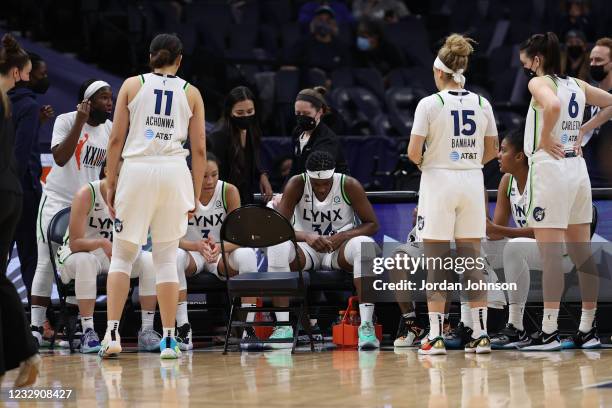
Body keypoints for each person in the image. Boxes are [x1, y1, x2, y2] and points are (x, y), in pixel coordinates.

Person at [101, 33, 206, 360]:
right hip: (175, 171)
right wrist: (194, 197)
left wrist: (109, 179)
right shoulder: (192, 92)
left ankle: (113, 334)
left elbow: (116, 138)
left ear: (150, 56)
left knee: (122, 256)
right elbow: (200, 150)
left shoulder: (132, 85)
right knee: (165, 259)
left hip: (138, 169)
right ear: (180, 59)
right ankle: (171, 340)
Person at [516, 32, 612, 350]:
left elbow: (553, 105)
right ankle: (588, 328)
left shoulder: (540, 83)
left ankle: (549, 330)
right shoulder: (577, 84)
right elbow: (611, 101)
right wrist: (584, 129)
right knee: (582, 254)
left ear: (538, 60)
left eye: (527, 63)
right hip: (577, 170)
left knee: (551, 255)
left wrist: (544, 136)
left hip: (551, 168)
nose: (526, 70)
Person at [407, 34, 499, 355]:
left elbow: (413, 151)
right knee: (472, 260)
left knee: (437, 263)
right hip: (473, 181)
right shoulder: (482, 102)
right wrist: (469, 164)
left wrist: (431, 165)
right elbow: (493, 150)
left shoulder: (429, 104)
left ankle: (434, 336)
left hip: (438, 181)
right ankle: (482, 335)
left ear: (439, 72)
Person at [30, 78, 113, 347]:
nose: (109, 103)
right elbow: (61, 157)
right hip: (56, 199)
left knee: (80, 261)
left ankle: (72, 326)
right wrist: (80, 121)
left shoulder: (109, 129)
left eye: (110, 97)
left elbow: (106, 171)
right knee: (46, 261)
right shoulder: (65, 121)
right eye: (103, 98)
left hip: (85, 204)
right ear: (87, 102)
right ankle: (36, 327)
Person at [268, 151, 380, 349]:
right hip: (306, 249)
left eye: (326, 183)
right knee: (276, 246)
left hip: (339, 248)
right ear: (308, 176)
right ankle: (282, 326)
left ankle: (366, 326)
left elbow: (372, 224)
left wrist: (344, 235)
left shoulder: (349, 185)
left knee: (367, 247)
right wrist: (306, 236)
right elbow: (278, 229)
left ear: (334, 175)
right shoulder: (296, 183)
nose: (321, 188)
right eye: (316, 183)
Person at [57, 165, 160, 354]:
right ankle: (88, 331)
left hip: (112, 254)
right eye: (119, 173)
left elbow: (138, 237)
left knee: (149, 261)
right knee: (85, 262)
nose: (124, 179)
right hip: (78, 254)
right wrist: (102, 242)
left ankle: (147, 330)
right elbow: (74, 243)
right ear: (107, 171)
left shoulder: (132, 197)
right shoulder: (87, 194)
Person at [175, 153, 257, 350]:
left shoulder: (229, 191)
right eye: (204, 176)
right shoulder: (179, 192)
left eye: (214, 175)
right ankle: (183, 329)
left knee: (248, 255)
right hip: (192, 252)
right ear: (191, 174)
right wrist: (196, 246)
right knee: (173, 257)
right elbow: (168, 238)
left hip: (220, 253)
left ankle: (248, 328)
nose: (210, 181)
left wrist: (219, 247)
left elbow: (242, 237)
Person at [0, 33, 41, 388]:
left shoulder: (10, 102)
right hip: (13, 192)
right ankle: (21, 353)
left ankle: (27, 350)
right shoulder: (11, 103)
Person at [8, 52, 53, 299]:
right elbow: (21, 154)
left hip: (6, 189)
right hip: (21, 192)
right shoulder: (29, 105)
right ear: (25, 75)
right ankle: (40, 322)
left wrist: (37, 123)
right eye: (41, 74)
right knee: (30, 257)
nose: (44, 78)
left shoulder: (8, 102)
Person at [209, 86, 272, 204]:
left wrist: (262, 175)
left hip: (246, 195)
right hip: (224, 199)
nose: (246, 116)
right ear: (230, 112)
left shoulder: (252, 129)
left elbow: (254, 157)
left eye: (250, 111)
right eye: (240, 112)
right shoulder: (219, 135)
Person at [289, 87, 349, 179]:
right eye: (298, 113)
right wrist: (285, 192)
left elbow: (318, 175)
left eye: (306, 114)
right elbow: (294, 169)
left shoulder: (327, 140)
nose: (301, 117)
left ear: (320, 112)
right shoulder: (297, 132)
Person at [582, 37, 612, 187]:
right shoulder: (588, 98)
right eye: (591, 60)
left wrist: (583, 129)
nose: (593, 64)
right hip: (587, 178)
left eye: (599, 60)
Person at [285, 6, 350, 74]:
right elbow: (289, 60)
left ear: (334, 24)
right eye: (320, 19)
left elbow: (346, 70)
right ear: (314, 22)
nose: (324, 23)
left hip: (334, 82)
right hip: (310, 81)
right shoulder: (304, 43)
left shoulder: (340, 46)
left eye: (328, 20)